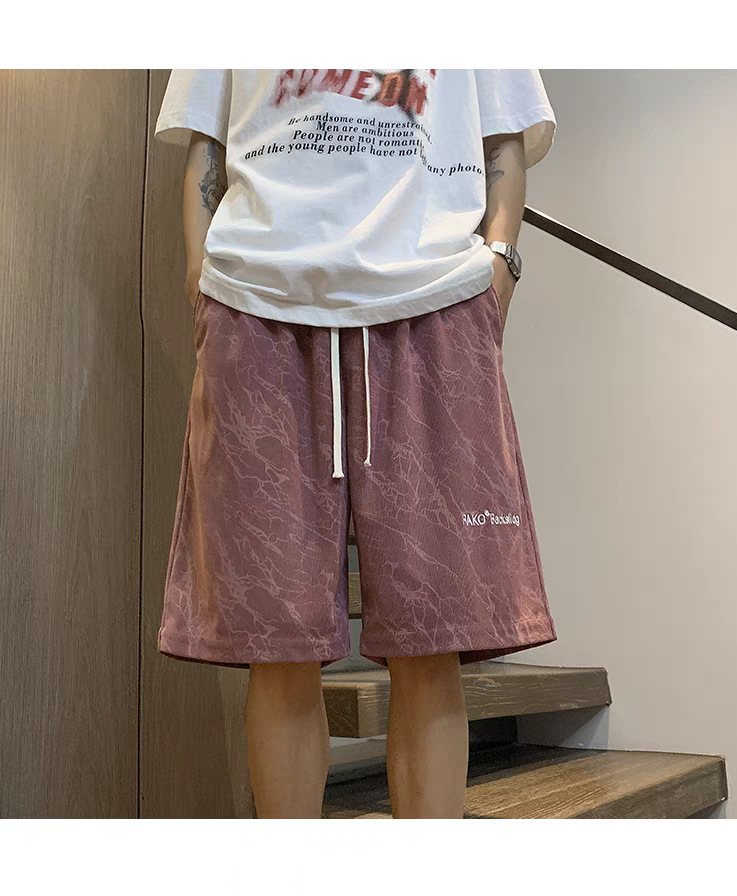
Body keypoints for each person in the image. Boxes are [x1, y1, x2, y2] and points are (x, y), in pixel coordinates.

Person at [154, 68, 558, 819]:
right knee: (277, 641)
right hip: (256, 303)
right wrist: (200, 278)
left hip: (434, 303)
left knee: (432, 635)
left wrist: (498, 268)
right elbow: (206, 142)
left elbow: (504, 137)